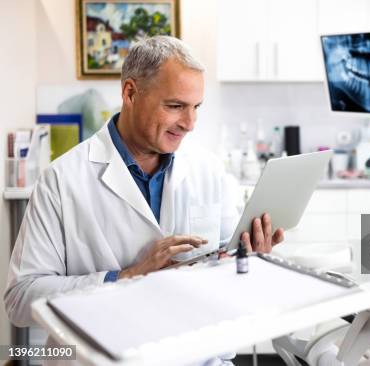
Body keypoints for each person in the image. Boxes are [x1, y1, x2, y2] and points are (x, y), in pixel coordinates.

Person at [4, 36, 284, 358]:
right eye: (176, 106)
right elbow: (21, 299)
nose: (190, 123)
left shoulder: (208, 169)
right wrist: (127, 278)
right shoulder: (62, 180)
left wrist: (250, 260)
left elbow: (224, 268)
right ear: (131, 93)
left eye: (196, 108)